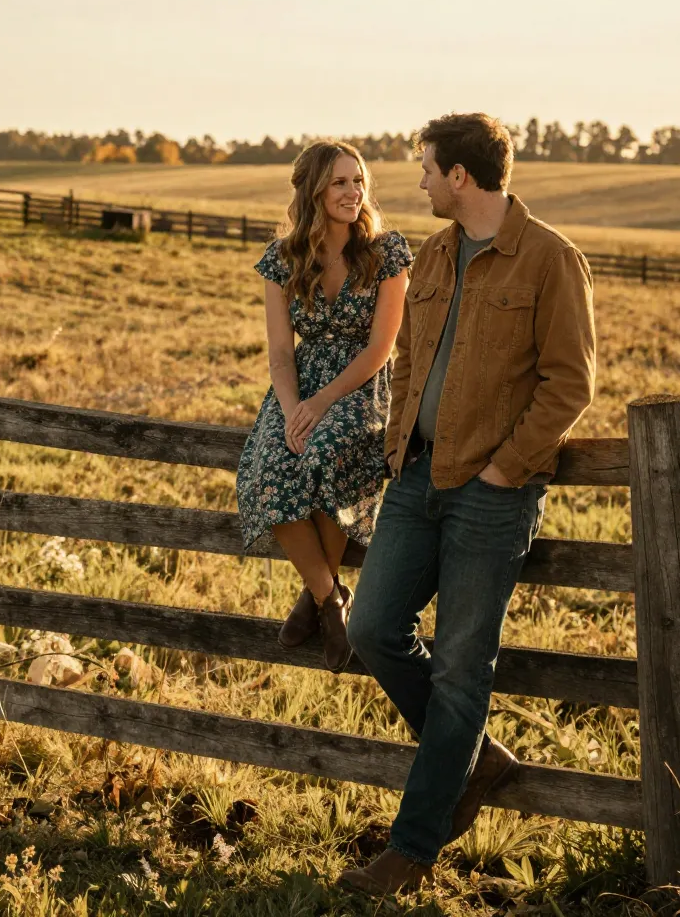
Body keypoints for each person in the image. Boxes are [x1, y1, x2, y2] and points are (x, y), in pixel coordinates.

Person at [339, 114, 596, 896]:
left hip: (493, 495)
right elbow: (411, 351)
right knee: (371, 627)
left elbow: (570, 382)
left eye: (425, 168)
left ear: (460, 176)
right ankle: (475, 758)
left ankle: (410, 851)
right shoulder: (436, 254)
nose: (416, 181)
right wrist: (395, 446)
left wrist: (505, 470)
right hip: (417, 478)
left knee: (459, 669)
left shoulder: (551, 258)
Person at [235, 142, 411, 671]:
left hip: (360, 386)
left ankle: (315, 598)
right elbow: (281, 354)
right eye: (340, 182)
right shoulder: (283, 260)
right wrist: (292, 410)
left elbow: (383, 347)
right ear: (314, 190)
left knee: (331, 453)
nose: (354, 192)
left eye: (358, 181)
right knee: (267, 469)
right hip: (298, 387)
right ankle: (331, 601)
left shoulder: (387, 253)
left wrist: (323, 402)